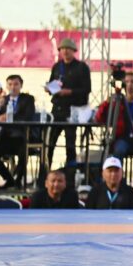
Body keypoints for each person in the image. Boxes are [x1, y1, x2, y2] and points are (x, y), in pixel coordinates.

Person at [94, 71, 133, 190]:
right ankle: (119, 182)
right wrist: (107, 102)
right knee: (119, 151)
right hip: (122, 138)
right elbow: (99, 118)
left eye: (132, 81)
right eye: (127, 82)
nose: (129, 85)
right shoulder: (116, 102)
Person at [43, 39, 91, 186]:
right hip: (57, 109)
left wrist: (69, 92)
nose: (65, 51)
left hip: (73, 110)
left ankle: (69, 179)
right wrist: (49, 88)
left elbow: (86, 89)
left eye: (68, 49)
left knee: (70, 144)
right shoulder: (57, 67)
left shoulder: (82, 67)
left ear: (73, 51)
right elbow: (52, 83)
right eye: (62, 49)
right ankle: (44, 176)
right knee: (49, 144)